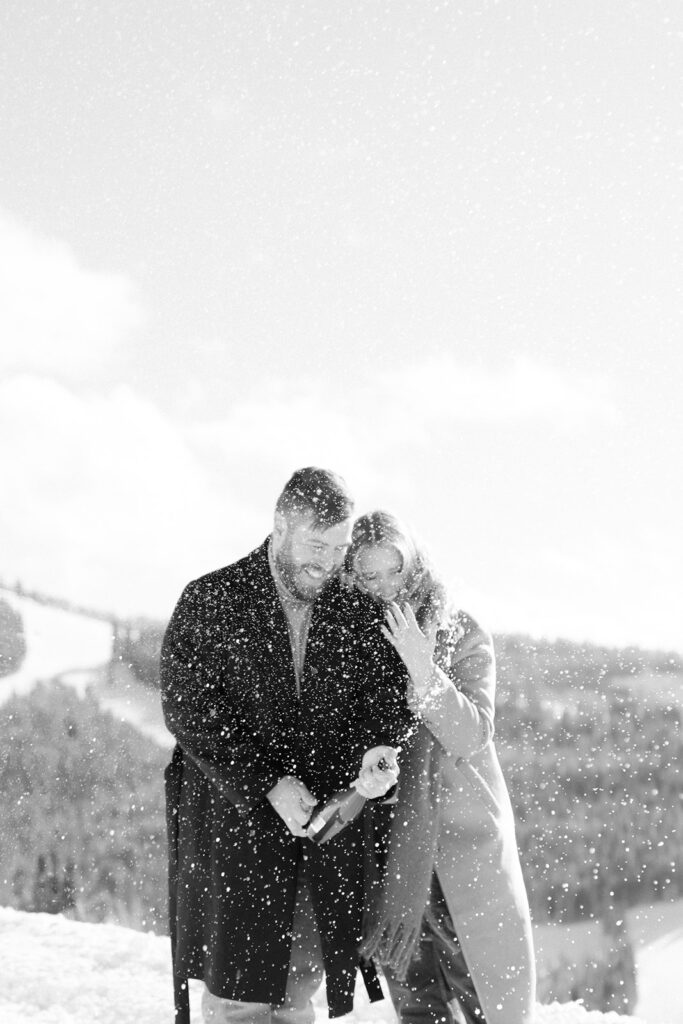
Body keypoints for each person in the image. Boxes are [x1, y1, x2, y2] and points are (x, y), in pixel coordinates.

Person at [160, 469, 412, 1024]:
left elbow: (381, 707)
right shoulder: (211, 600)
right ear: (280, 526)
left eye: (339, 548)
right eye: (316, 546)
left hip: (318, 844)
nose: (327, 564)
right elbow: (188, 709)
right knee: (237, 1002)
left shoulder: (354, 614)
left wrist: (374, 756)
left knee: (297, 997)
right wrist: (266, 780)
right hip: (234, 839)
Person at [347, 511, 536, 1024]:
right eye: (370, 576)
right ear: (353, 574)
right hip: (392, 846)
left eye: (395, 571)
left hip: (461, 841)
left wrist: (422, 669)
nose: (386, 587)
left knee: (482, 997)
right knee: (417, 1001)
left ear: (414, 562)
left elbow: (471, 733)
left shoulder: (459, 630)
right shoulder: (351, 639)